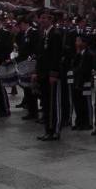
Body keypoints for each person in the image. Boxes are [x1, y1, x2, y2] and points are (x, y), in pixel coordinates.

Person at [35, 8, 64, 141]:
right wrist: (36, 72)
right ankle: (48, 129)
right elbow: (40, 55)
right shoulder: (43, 34)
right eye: (42, 18)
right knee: (46, 103)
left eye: (46, 18)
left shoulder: (55, 34)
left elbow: (56, 56)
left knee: (53, 104)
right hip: (43, 73)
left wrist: (53, 73)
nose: (43, 20)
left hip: (51, 74)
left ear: (51, 19)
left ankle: (55, 130)